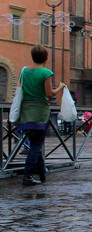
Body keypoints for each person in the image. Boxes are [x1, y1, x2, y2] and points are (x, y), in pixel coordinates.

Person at [14, 45, 66, 185]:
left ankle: (42, 175)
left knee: (35, 142)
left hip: (26, 111)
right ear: (46, 58)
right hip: (39, 111)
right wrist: (60, 87)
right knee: (36, 145)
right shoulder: (45, 72)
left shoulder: (23, 72)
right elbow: (49, 93)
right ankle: (28, 176)